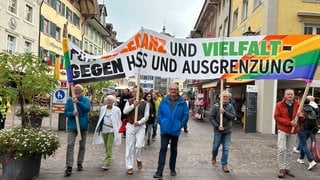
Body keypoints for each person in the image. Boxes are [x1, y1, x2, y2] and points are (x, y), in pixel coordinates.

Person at [153, 84, 189, 179]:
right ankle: (159, 171)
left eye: (175, 89)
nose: (173, 91)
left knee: (173, 149)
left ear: (178, 91)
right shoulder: (164, 101)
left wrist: (180, 125)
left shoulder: (182, 102)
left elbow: (185, 115)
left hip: (175, 129)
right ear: (169, 90)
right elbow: (159, 113)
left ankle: (172, 168)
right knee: (163, 149)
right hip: (165, 129)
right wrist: (162, 123)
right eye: (172, 89)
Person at [274, 89, 304, 178]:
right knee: (281, 149)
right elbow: (276, 117)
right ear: (285, 95)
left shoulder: (298, 105)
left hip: (294, 131)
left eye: (291, 94)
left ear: (294, 95)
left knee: (290, 151)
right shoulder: (279, 105)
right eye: (288, 94)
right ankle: (281, 168)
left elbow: (302, 118)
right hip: (283, 129)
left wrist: (301, 116)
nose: (290, 96)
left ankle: (287, 168)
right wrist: (289, 122)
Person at [64, 84, 91, 176]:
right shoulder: (69, 100)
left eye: (79, 90)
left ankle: (79, 163)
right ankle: (69, 166)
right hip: (72, 126)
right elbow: (66, 112)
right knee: (70, 145)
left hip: (83, 127)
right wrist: (72, 113)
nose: (77, 91)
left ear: (82, 91)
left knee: (82, 146)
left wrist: (78, 102)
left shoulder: (86, 100)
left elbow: (87, 109)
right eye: (75, 90)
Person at [123, 86, 149, 175]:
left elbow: (146, 116)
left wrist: (139, 122)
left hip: (140, 126)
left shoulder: (145, 103)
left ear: (141, 93)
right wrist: (133, 105)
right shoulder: (129, 101)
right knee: (129, 147)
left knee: (139, 145)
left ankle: (138, 158)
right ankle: (129, 166)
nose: (135, 93)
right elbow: (125, 112)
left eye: (137, 91)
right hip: (130, 126)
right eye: (134, 91)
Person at [209, 90, 236, 173]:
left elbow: (233, 117)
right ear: (220, 97)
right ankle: (214, 156)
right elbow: (211, 118)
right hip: (218, 130)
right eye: (224, 97)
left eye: (227, 97)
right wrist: (217, 126)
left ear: (229, 98)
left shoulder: (230, 107)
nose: (225, 98)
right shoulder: (216, 106)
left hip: (227, 131)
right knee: (215, 146)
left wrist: (224, 112)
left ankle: (224, 164)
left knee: (226, 148)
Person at [92, 95, 122, 170]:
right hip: (104, 129)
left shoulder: (117, 109)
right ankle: (108, 155)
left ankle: (107, 162)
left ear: (113, 102)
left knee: (109, 145)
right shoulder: (103, 108)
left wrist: (119, 129)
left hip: (112, 130)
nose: (109, 102)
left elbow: (118, 119)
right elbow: (100, 118)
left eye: (110, 100)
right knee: (106, 145)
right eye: (108, 100)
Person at [296, 97, 318, 170]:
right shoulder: (311, 108)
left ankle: (311, 161)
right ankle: (301, 159)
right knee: (303, 144)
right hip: (310, 129)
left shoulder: (300, 108)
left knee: (303, 144)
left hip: (302, 129)